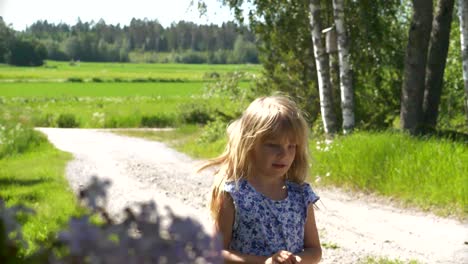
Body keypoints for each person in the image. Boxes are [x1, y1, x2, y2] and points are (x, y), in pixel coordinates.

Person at [199, 95, 322, 263]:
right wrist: (265, 261)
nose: (284, 154)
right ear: (249, 145)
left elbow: (314, 250)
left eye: (291, 146)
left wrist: (294, 260)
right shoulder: (234, 195)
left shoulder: (300, 194)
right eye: (273, 145)